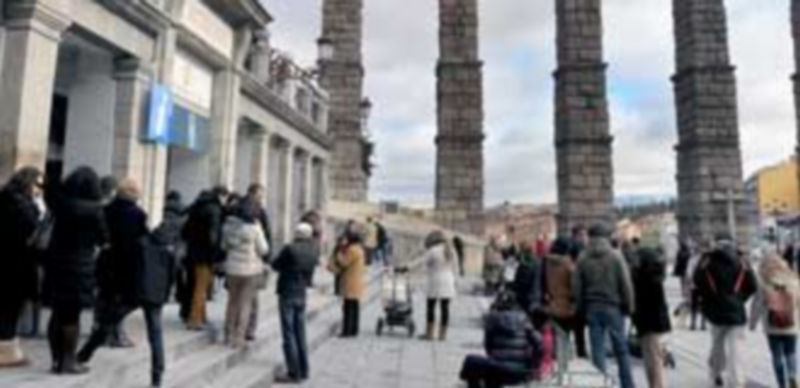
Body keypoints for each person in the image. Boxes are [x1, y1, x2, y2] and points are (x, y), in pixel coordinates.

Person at [77, 179, 175, 387]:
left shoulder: (106, 211)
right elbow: (167, 274)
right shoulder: (143, 222)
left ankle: (85, 354)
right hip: (144, 286)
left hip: (120, 277)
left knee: (108, 319)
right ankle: (157, 377)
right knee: (154, 332)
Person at [43, 166, 108, 374]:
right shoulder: (95, 210)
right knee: (72, 316)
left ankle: (56, 360)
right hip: (81, 266)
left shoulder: (60, 204)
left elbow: (50, 189)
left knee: (57, 313)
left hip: (55, 263)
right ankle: (68, 360)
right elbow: (103, 238)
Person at [573, 223, 636, 388]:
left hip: (592, 308)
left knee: (597, 351)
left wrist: (580, 309)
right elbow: (626, 284)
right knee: (621, 350)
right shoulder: (616, 256)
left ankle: (601, 384)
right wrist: (630, 306)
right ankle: (627, 384)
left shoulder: (582, 257)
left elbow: (577, 288)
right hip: (614, 307)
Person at [693, 233, 757, 388]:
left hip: (715, 312)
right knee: (736, 350)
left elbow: (697, 281)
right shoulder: (742, 261)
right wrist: (739, 299)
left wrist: (709, 300)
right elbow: (753, 285)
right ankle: (736, 381)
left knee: (717, 346)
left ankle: (715, 375)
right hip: (736, 312)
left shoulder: (707, 261)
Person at [0, 167, 45, 367]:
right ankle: (6, 351)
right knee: (11, 307)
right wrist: (39, 209)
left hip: (7, 261)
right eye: (38, 184)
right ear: (29, 184)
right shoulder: (23, 205)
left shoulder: (5, 197)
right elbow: (33, 231)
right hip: (17, 263)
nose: (39, 189)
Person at [459, 291, 541, 388]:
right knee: (490, 369)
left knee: (472, 362)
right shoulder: (524, 320)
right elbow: (538, 342)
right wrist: (532, 363)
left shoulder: (492, 319)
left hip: (497, 368)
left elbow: (488, 346)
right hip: (520, 371)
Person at [272, 223, 319, 383]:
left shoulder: (290, 248)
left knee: (289, 333)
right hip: (301, 293)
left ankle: (293, 372)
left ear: (297, 233)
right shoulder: (314, 250)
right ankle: (304, 369)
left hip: (287, 291)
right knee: (300, 333)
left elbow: (275, 265)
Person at [220, 203, 269, 348]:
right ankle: (238, 337)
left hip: (232, 269)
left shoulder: (228, 227)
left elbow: (224, 247)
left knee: (232, 302)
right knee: (245, 304)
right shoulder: (255, 229)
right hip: (250, 271)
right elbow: (264, 249)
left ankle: (228, 334)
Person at [749, 253, 800, 388]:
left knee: (777, 355)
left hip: (772, 325)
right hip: (791, 324)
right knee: (791, 352)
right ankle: (793, 375)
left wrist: (752, 322)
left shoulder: (765, 281)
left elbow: (758, 304)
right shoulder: (793, 279)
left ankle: (781, 384)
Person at [182, 186, 228, 330]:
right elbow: (213, 236)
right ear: (221, 195)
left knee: (196, 285)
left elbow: (185, 231)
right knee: (201, 288)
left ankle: (201, 315)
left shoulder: (196, 206)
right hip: (205, 255)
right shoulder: (214, 209)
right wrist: (216, 254)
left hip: (192, 252)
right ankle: (195, 319)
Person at [632, 247, 672, 388]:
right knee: (653, 355)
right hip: (655, 321)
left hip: (647, 321)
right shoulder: (655, 275)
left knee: (652, 356)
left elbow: (639, 301)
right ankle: (655, 384)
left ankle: (657, 385)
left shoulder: (643, 277)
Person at [241, 183, 273, 342]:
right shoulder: (257, 213)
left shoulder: (237, 208)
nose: (261, 198)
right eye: (260, 195)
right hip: (252, 263)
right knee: (252, 299)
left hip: (236, 265)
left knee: (238, 298)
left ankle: (236, 329)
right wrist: (267, 260)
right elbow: (265, 243)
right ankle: (248, 329)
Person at [542, 237, 576, 366]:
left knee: (554, 333)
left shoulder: (547, 263)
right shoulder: (568, 265)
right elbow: (574, 285)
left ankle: (553, 356)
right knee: (565, 334)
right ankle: (563, 360)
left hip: (551, 303)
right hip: (566, 305)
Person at [420, 230, 458, 341]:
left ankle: (430, 334)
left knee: (431, 307)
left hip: (435, 280)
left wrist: (406, 268)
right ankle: (442, 335)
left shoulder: (433, 251)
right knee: (445, 308)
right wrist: (456, 283)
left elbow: (421, 262)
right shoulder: (451, 251)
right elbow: (456, 268)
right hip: (448, 280)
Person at [336, 225, 367, 337]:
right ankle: (354, 330)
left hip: (350, 282)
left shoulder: (352, 250)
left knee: (348, 308)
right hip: (357, 282)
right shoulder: (359, 249)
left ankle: (347, 331)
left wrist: (339, 254)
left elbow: (344, 262)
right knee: (355, 307)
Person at [568, 224, 589, 358]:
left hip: (573, 294)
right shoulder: (580, 249)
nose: (585, 237)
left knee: (576, 325)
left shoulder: (569, 246)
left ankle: (577, 349)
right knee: (579, 324)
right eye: (583, 235)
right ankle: (581, 350)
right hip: (579, 295)